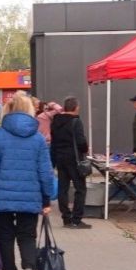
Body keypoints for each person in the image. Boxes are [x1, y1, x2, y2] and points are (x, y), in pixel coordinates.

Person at [0, 94, 53, 270]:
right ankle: (28, 267)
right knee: (27, 236)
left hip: (1, 195)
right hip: (30, 196)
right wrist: (46, 199)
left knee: (5, 237)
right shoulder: (38, 138)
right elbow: (45, 172)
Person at [49, 96, 91, 229]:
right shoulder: (76, 121)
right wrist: (85, 149)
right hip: (74, 159)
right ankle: (76, 219)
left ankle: (66, 218)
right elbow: (81, 141)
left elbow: (53, 142)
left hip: (60, 158)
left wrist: (52, 161)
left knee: (63, 188)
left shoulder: (55, 121)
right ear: (76, 108)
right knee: (80, 188)